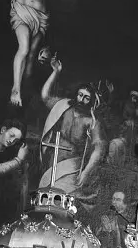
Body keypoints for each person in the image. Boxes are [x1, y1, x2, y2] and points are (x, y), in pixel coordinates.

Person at [38, 57, 106, 210]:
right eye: (80, 95)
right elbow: (45, 96)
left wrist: (86, 172)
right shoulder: (64, 107)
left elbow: (99, 147)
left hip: (72, 166)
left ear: (91, 101)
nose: (81, 100)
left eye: (86, 98)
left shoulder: (92, 121)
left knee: (60, 200)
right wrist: (55, 72)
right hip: (52, 159)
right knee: (45, 196)